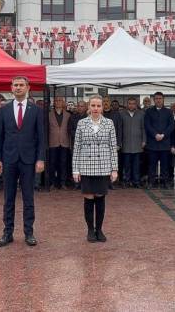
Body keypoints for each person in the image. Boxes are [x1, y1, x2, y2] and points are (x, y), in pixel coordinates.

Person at [0, 76, 46, 248]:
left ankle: (29, 232)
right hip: (8, 159)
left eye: (21, 85)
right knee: (8, 198)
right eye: (15, 85)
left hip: (29, 160)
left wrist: (40, 158)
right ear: (11, 88)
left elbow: (41, 137)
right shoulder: (4, 109)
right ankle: (7, 233)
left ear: (28, 87)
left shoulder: (36, 110)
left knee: (28, 198)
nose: (18, 88)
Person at [72, 95, 119, 243]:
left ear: (102, 107)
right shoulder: (81, 123)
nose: (96, 109)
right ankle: (90, 230)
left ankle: (99, 229)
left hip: (103, 166)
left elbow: (113, 147)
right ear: (88, 107)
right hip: (86, 166)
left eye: (98, 106)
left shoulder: (109, 123)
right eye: (93, 105)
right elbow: (77, 147)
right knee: (88, 198)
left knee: (100, 198)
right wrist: (75, 169)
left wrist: (114, 169)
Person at [144, 92, 174, 189]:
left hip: (165, 143)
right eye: (156, 98)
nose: (158, 100)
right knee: (152, 165)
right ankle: (151, 182)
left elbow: (171, 126)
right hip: (153, 143)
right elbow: (147, 125)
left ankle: (166, 182)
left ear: (163, 99)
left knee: (165, 165)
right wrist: (155, 134)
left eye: (160, 98)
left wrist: (163, 135)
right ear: (153, 100)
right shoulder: (149, 111)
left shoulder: (169, 112)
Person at [120, 97, 145, 188]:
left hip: (137, 144)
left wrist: (144, 140)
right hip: (126, 144)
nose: (131, 105)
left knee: (136, 165)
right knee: (126, 165)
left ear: (136, 104)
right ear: (127, 104)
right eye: (129, 103)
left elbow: (143, 128)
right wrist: (120, 142)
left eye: (133, 103)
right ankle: (126, 181)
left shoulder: (141, 114)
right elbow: (120, 129)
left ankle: (136, 182)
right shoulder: (122, 114)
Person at [48, 96, 72, 190]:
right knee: (52, 163)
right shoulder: (49, 114)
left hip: (64, 142)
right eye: (56, 101)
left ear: (63, 103)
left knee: (63, 163)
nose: (58, 102)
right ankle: (53, 183)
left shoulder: (68, 115)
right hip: (52, 142)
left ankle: (63, 183)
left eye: (60, 101)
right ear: (54, 103)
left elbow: (69, 129)